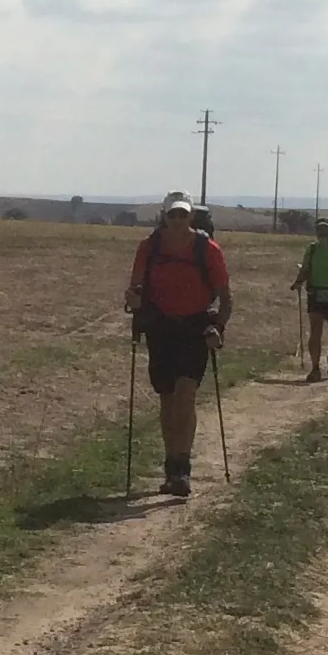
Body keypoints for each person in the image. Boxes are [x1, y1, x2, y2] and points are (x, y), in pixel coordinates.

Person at [125, 193, 232, 497]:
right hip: (160, 327)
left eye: (182, 215)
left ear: (191, 217)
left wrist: (218, 326)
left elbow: (226, 296)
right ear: (164, 216)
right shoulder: (149, 247)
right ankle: (172, 462)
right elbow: (136, 287)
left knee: (185, 394)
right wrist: (133, 300)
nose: (177, 221)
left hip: (195, 327)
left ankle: (181, 469)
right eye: (172, 215)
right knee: (168, 399)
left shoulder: (207, 249)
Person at [289, 216, 328, 380]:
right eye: (319, 229)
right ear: (316, 232)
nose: (322, 232)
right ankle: (315, 368)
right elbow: (305, 270)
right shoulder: (312, 249)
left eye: (325, 229)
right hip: (315, 293)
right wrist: (297, 283)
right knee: (315, 332)